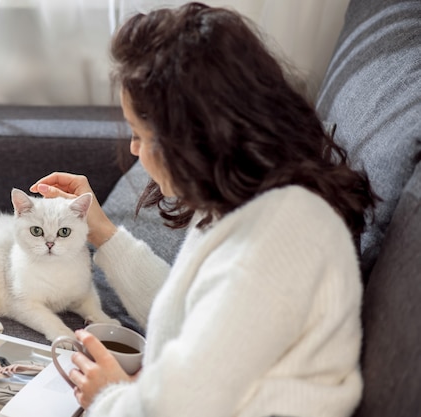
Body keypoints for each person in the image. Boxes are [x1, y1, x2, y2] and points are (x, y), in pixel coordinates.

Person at [29, 2, 377, 416]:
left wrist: (108, 397)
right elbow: (196, 314)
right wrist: (101, 231)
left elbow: (179, 407)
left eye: (140, 135)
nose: (134, 150)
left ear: (192, 139)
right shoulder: (253, 202)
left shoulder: (281, 240)